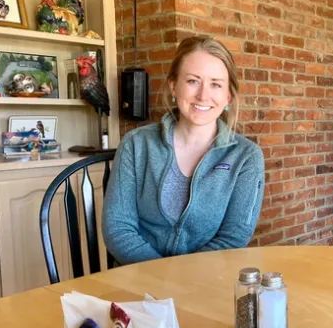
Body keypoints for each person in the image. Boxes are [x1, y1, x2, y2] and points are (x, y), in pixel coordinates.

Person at [102, 37, 265, 265]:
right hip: (140, 280)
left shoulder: (246, 157)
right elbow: (118, 228)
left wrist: (181, 281)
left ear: (228, 95)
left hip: (206, 282)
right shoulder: (136, 145)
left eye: (216, 84)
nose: (203, 95)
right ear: (173, 86)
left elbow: (233, 237)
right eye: (192, 81)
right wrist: (161, 279)